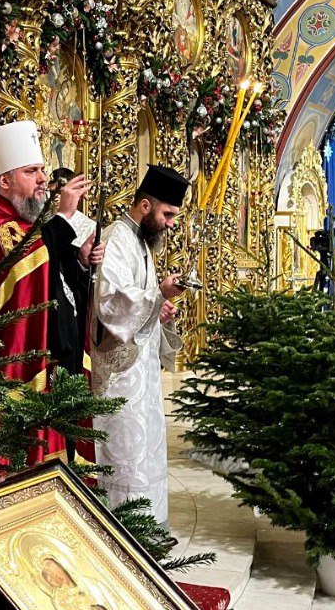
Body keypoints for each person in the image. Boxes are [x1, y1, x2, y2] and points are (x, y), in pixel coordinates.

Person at [0, 121, 99, 464]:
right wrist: (64, 216)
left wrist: (80, 260)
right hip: (8, 359)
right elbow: (27, 260)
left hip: (52, 352)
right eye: (31, 171)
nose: (42, 178)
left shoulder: (28, 222)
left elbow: (52, 272)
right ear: (4, 181)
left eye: (41, 170)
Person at [91, 165, 189, 527]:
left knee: (145, 447)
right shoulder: (116, 238)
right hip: (119, 372)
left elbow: (140, 298)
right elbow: (110, 303)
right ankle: (122, 527)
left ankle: (147, 525)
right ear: (145, 206)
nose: (171, 224)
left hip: (140, 370)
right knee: (124, 451)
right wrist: (158, 293)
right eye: (168, 214)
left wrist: (159, 308)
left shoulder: (141, 242)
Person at [47, 167, 99, 376]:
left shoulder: (84, 225)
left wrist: (84, 262)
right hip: (48, 318)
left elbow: (74, 279)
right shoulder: (37, 223)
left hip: (71, 315)